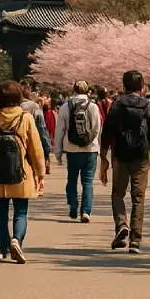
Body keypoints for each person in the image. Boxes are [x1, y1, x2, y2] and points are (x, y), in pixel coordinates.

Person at [0, 80, 45, 264]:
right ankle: (17, 240)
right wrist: (40, 173)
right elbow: (36, 149)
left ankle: (3, 248)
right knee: (21, 212)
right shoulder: (26, 118)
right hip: (21, 175)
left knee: (0, 216)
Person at [99, 70, 150, 253]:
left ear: (124, 86)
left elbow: (107, 131)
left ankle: (121, 224)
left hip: (120, 154)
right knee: (138, 197)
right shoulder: (148, 105)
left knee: (118, 193)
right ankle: (135, 240)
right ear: (142, 86)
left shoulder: (117, 104)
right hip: (141, 155)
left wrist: (103, 157)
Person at [53, 80, 102, 222]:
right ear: (88, 91)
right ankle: (86, 211)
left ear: (74, 90)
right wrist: (96, 145)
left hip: (71, 149)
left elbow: (60, 130)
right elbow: (97, 129)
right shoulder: (93, 107)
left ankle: (73, 207)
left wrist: (58, 152)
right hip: (90, 149)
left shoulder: (65, 107)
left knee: (72, 179)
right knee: (88, 182)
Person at [20, 89, 53, 168]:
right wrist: (47, 150)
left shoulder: (15, 106)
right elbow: (42, 128)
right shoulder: (34, 107)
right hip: (32, 142)